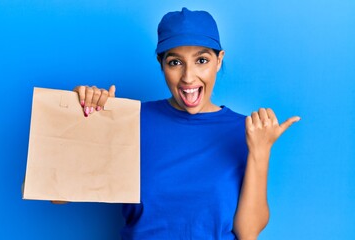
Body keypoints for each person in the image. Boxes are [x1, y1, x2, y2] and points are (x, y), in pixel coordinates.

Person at [71, 7, 300, 239]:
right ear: (161, 64)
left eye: (201, 60)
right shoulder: (131, 120)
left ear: (219, 61)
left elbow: (248, 233)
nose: (188, 77)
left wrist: (260, 151)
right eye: (175, 62)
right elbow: (60, 194)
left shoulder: (246, 131)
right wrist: (85, 117)